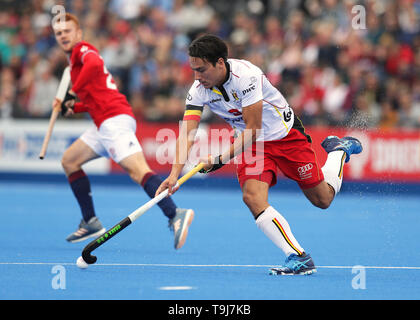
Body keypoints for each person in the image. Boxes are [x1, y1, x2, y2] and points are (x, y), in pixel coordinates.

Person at [156, 34, 362, 275]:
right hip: (253, 146)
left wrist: (219, 160)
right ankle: (298, 256)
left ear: (220, 63)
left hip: (284, 137)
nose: (197, 77)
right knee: (252, 197)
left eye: (201, 70)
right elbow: (187, 134)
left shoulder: (247, 76)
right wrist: (173, 174)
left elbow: (254, 128)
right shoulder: (198, 90)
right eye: (193, 70)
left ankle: (338, 152)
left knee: (322, 200)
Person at [52, 13, 194, 249]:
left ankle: (174, 213)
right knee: (70, 160)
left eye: (67, 31)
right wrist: (72, 106)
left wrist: (72, 91)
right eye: (59, 33)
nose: (63, 36)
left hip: (113, 121)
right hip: (104, 122)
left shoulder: (83, 51)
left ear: (78, 34)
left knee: (139, 172)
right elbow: (95, 96)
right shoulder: (75, 62)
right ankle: (90, 221)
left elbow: (95, 65)